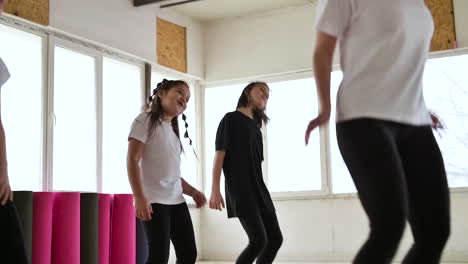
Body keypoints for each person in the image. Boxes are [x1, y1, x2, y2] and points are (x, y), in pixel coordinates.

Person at [305, 1, 451, 263]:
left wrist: (419, 107)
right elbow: (322, 51)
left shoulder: (416, 3)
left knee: (435, 232)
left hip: (414, 120)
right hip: (362, 117)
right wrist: (325, 106)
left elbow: (402, 61)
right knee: (389, 227)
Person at [127, 79, 206, 264]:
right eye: (179, 92)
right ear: (161, 93)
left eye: (187, 98)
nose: (184, 100)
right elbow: (132, 160)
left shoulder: (172, 131)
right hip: (154, 201)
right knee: (158, 258)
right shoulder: (144, 120)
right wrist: (139, 197)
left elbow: (173, 174)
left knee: (188, 255)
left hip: (177, 201)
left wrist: (193, 191)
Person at [210, 82, 283, 264]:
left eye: (268, 95)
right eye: (262, 91)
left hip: (259, 188)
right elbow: (219, 156)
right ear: (247, 93)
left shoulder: (256, 129)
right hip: (241, 189)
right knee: (258, 240)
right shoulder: (230, 119)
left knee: (275, 239)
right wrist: (215, 189)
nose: (265, 95)